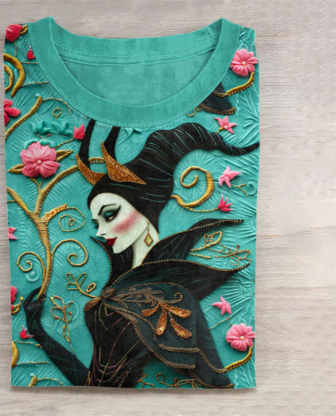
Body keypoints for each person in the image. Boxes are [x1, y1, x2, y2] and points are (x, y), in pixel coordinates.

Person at [24, 119, 259, 388]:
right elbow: (95, 383)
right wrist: (39, 331)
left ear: (144, 205)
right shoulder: (119, 286)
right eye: (96, 223)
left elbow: (211, 379)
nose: (101, 231)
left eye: (109, 215)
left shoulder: (168, 292)